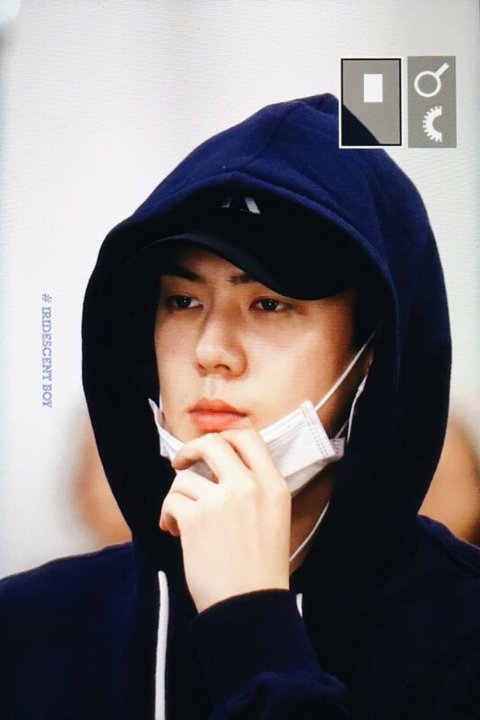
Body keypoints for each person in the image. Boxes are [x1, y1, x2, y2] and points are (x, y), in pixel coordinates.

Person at [1, 94, 479, 719]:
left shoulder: (462, 635)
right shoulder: (25, 631)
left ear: (372, 353)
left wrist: (251, 624)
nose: (211, 352)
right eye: (183, 302)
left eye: (269, 305)